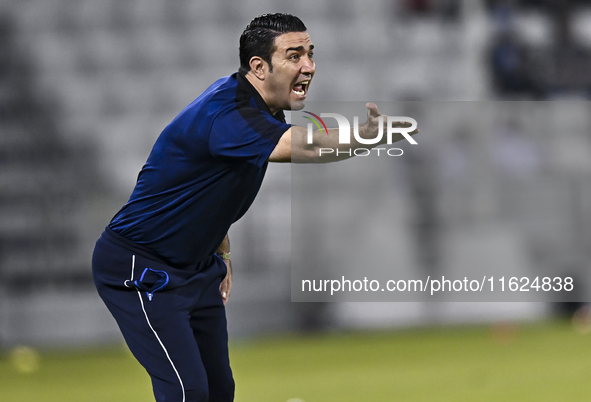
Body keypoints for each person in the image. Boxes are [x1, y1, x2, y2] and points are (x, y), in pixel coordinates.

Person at [92, 13, 415, 402]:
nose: (309, 66)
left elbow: (202, 189)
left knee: (218, 391)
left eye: (311, 54)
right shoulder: (228, 114)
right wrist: (365, 137)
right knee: (186, 390)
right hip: (141, 267)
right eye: (294, 56)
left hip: (195, 267)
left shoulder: (255, 107)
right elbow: (306, 148)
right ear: (259, 67)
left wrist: (221, 249)